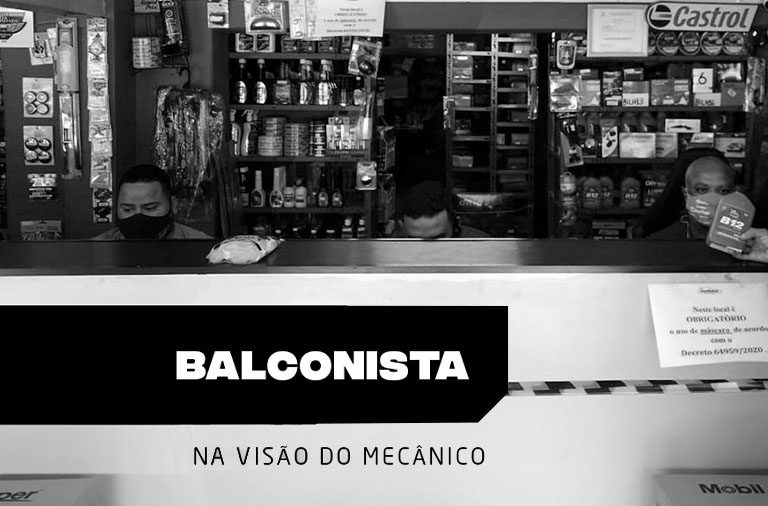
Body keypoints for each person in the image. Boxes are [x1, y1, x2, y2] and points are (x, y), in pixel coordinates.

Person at [93, 164, 212, 240]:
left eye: (150, 208)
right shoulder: (98, 250)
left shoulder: (202, 248)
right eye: (127, 210)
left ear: (173, 205)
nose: (138, 216)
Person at [633, 148, 730, 238]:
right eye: (702, 190)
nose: (712, 199)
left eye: (723, 191)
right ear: (685, 192)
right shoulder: (664, 239)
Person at [395, 180, 488, 238]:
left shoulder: (484, 249)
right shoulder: (391, 252)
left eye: (438, 239)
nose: (427, 252)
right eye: (415, 241)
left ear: (455, 226)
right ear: (402, 227)